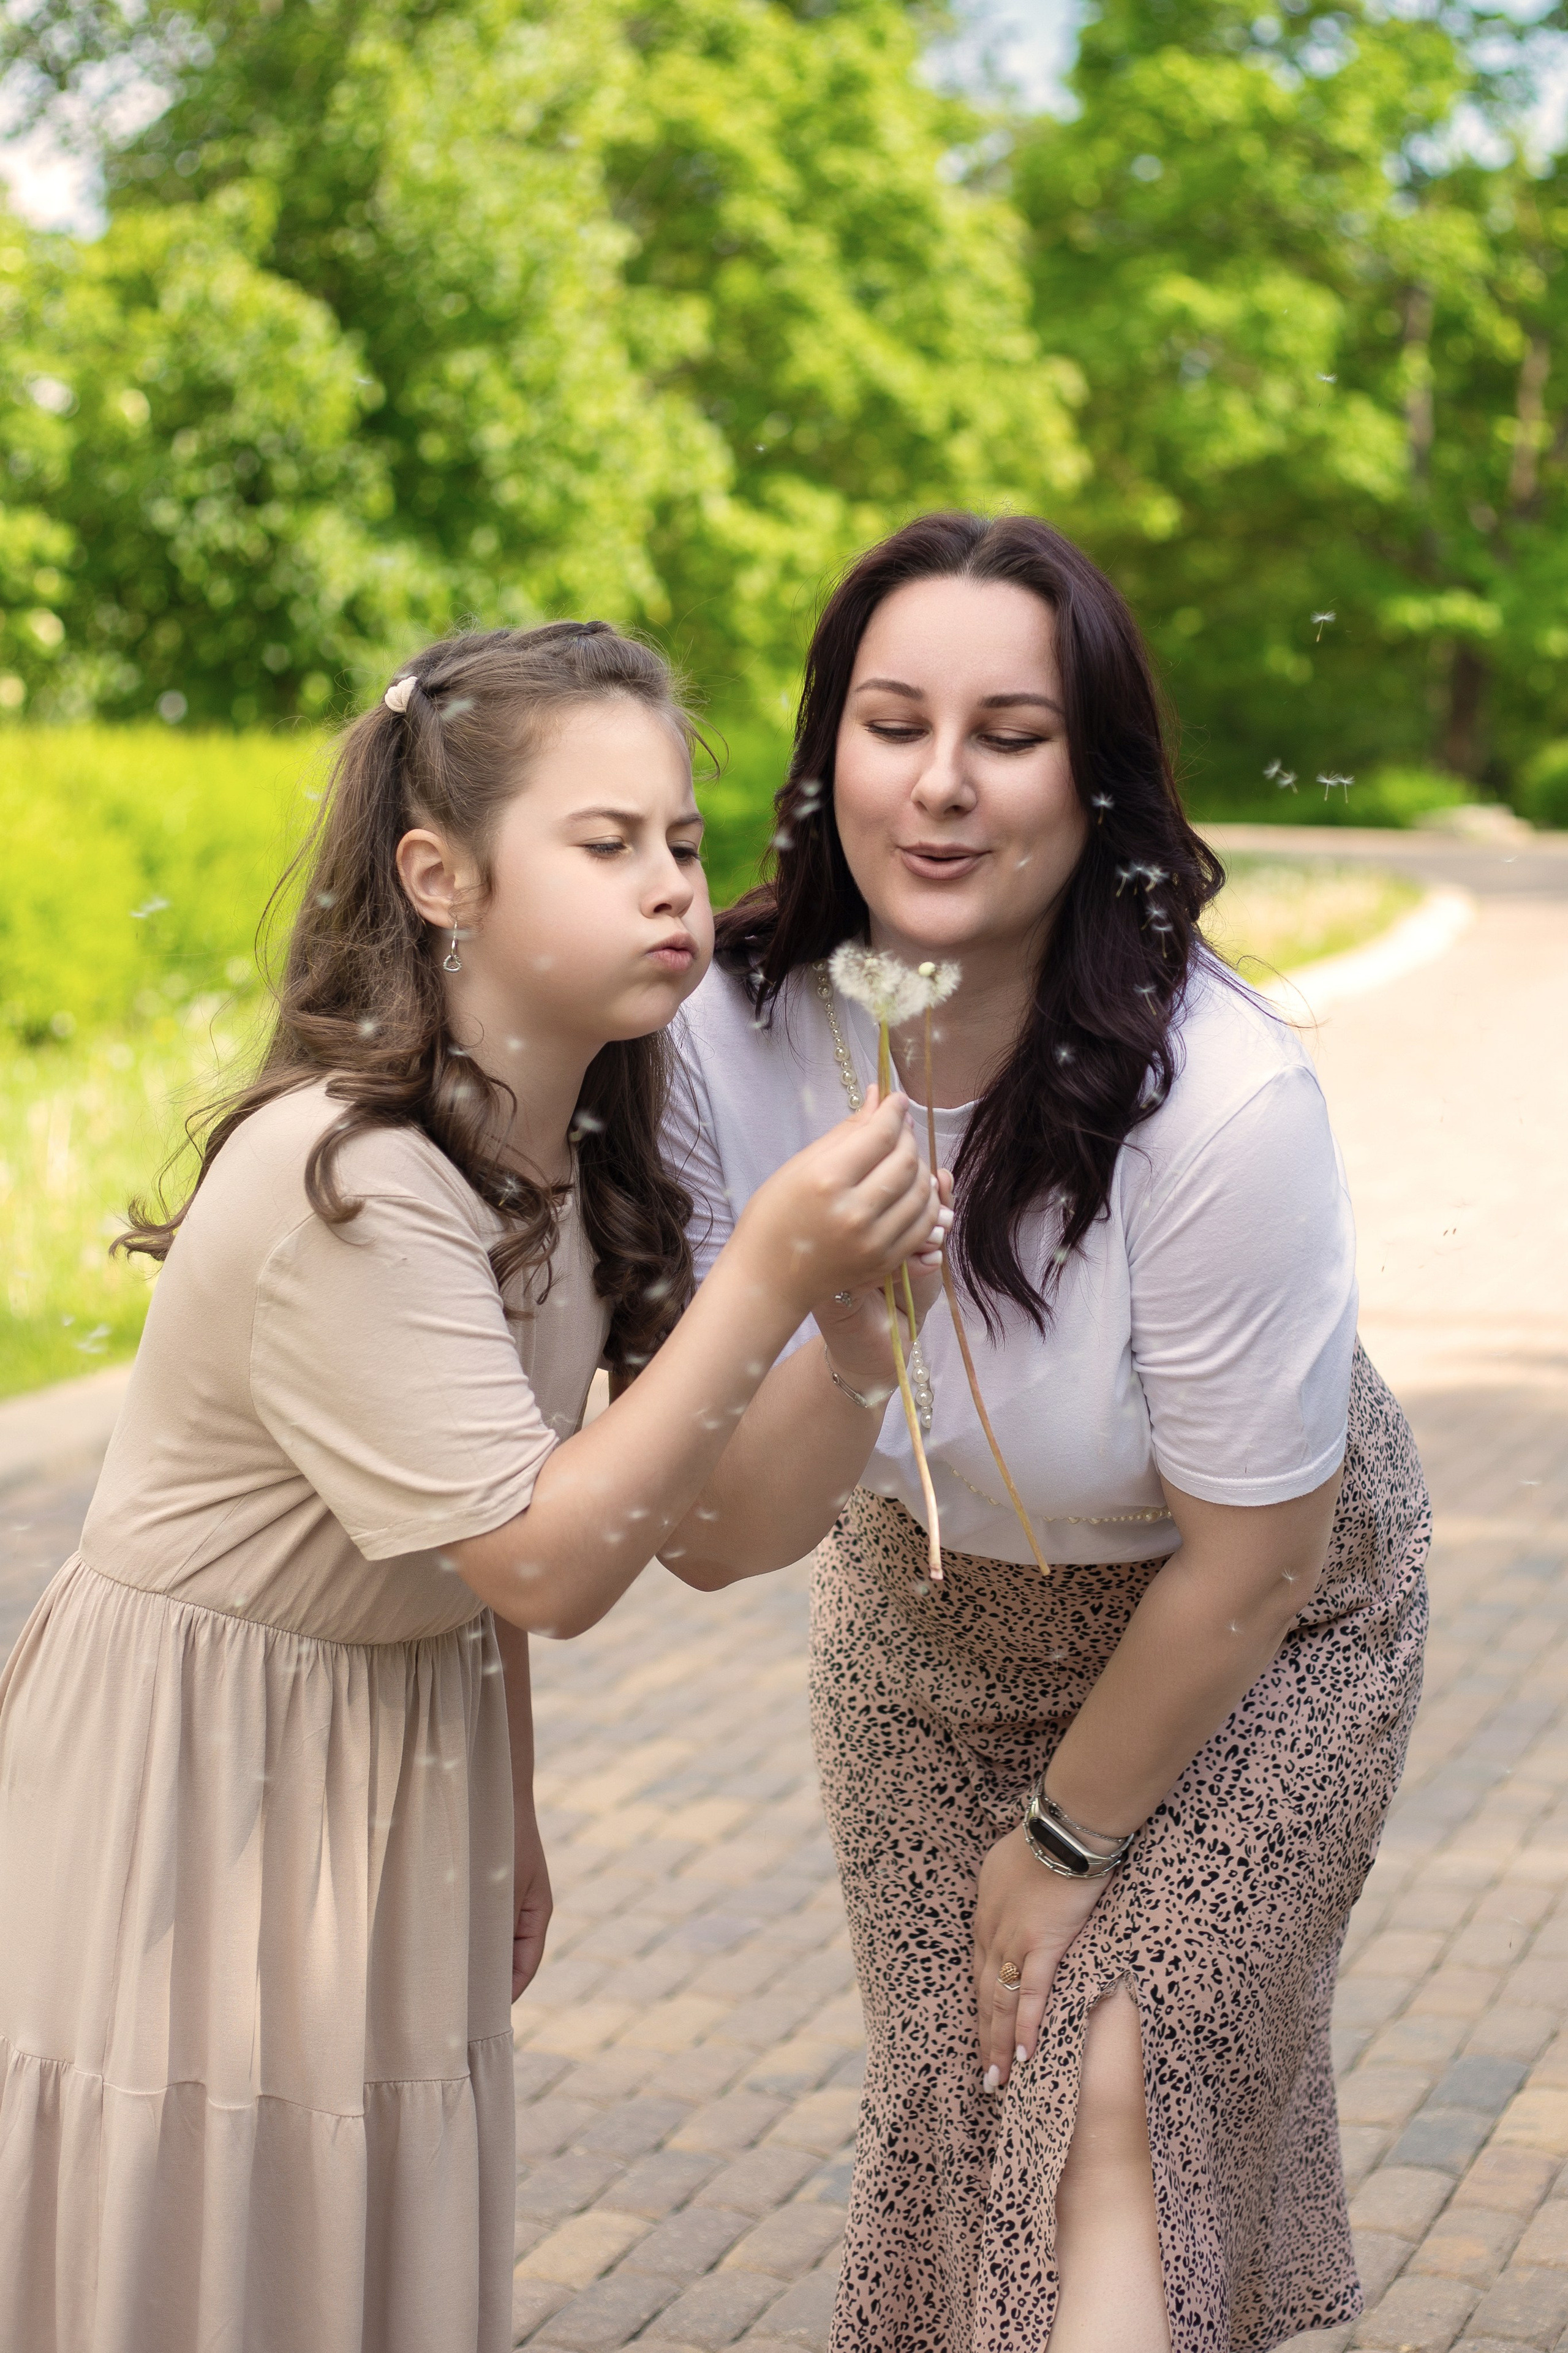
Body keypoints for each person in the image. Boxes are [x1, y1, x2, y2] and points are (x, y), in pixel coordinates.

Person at [0, 621, 945, 2353]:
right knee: (208, 2238)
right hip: (200, 1762)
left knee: (345, 2233)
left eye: (677, 838)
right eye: (606, 843)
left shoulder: (572, 1150)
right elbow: (536, 1558)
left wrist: (857, 1334)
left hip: (398, 1738)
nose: (672, 883)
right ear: (440, 876)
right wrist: (771, 1269)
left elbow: (714, 1531)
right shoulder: (349, 1180)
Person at [658, 516, 1430, 2353]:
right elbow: (714, 1536)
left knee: (1111, 2082)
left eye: (1007, 734)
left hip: (1262, 1632)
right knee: (971, 2107)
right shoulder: (724, 1043)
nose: (937, 785)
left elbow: (1261, 1556)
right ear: (821, 748)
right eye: (890, 721)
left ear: (1098, 783)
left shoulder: (1223, 1095)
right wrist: (840, 1323)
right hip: (927, 1641)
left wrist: (1069, 1837)